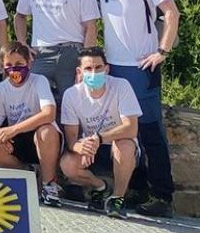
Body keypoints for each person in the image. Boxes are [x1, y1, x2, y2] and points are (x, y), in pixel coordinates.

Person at [97, 0, 180, 218]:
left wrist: (162, 51)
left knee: (149, 131)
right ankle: (138, 189)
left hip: (140, 67)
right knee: (125, 133)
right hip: (114, 67)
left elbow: (171, 12)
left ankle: (162, 196)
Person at [60, 46, 143, 219]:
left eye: (98, 67)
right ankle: (100, 187)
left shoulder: (121, 86)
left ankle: (117, 198)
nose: (94, 72)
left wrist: (99, 138)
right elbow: (71, 139)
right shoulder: (71, 95)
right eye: (88, 69)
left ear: (107, 68)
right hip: (92, 148)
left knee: (125, 145)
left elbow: (131, 127)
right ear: (79, 72)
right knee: (67, 164)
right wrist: (82, 146)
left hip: (117, 144)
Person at [0, 41, 64, 206]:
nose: (14, 69)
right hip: (17, 140)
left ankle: (49, 184)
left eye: (19, 64)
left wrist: (12, 129)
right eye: (9, 65)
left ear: (29, 62)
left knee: (46, 131)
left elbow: (49, 113)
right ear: (2, 65)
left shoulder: (39, 81)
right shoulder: (0, 89)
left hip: (40, 136)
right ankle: (26, 174)